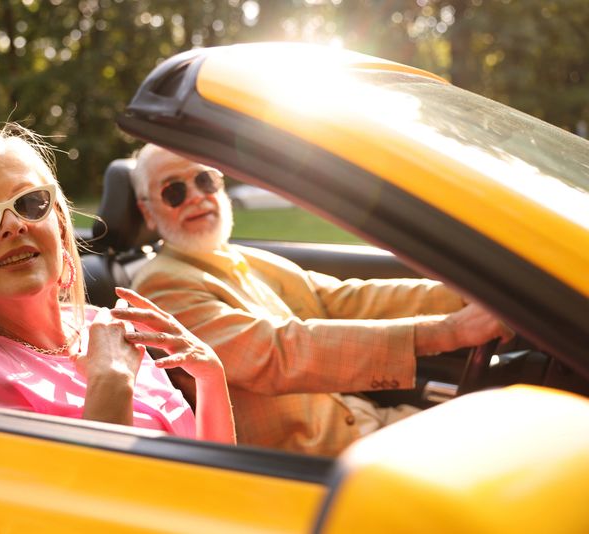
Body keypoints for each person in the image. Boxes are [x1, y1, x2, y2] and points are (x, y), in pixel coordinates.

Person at [129, 143, 512, 456]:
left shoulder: (243, 257)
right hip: (309, 462)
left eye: (204, 180)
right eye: (174, 191)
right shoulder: (162, 286)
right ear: (148, 211)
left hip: (368, 423)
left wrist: (461, 296)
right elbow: (277, 353)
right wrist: (448, 332)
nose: (197, 197)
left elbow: (341, 299)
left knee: (503, 436)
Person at [0, 125, 235, 445]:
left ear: (59, 222)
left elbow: (211, 468)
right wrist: (110, 380)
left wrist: (210, 376)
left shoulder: (101, 325)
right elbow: (75, 492)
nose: (14, 225)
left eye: (30, 203)